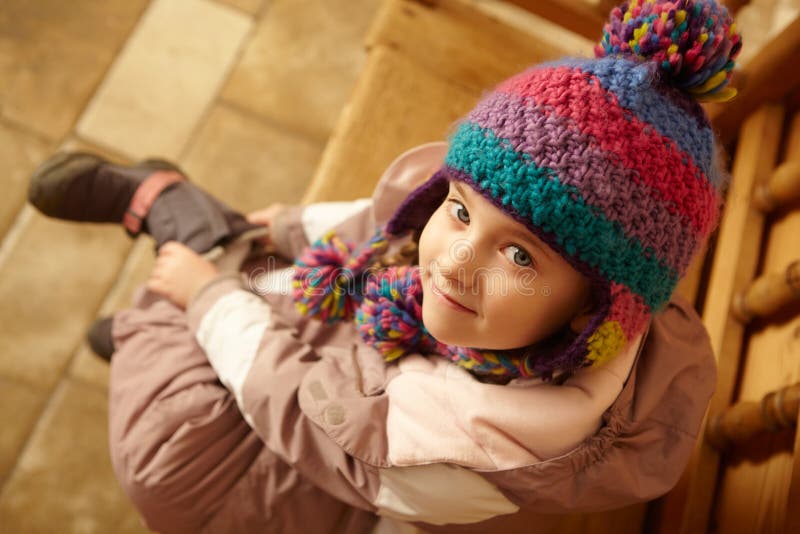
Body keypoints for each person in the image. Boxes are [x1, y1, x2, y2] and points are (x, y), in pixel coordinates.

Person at [28, 0, 741, 532]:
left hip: (332, 448)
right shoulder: (499, 302)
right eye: (461, 210)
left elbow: (297, 412)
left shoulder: (475, 442)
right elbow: (386, 223)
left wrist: (206, 301)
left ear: (597, 312)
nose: (456, 262)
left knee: (166, 472)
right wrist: (288, 225)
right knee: (256, 277)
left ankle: (163, 228)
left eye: (520, 253)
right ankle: (157, 300)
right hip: (356, 372)